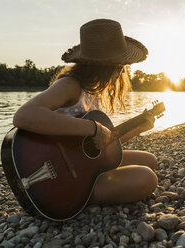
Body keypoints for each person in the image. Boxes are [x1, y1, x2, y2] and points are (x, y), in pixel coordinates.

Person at [13, 19, 158, 205]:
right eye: (120, 67)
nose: (121, 73)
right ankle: (73, 199)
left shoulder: (93, 92)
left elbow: (98, 146)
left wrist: (139, 128)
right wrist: (94, 128)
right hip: (60, 178)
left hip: (81, 166)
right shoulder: (69, 85)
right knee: (147, 178)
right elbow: (23, 116)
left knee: (149, 160)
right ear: (106, 66)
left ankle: (89, 186)